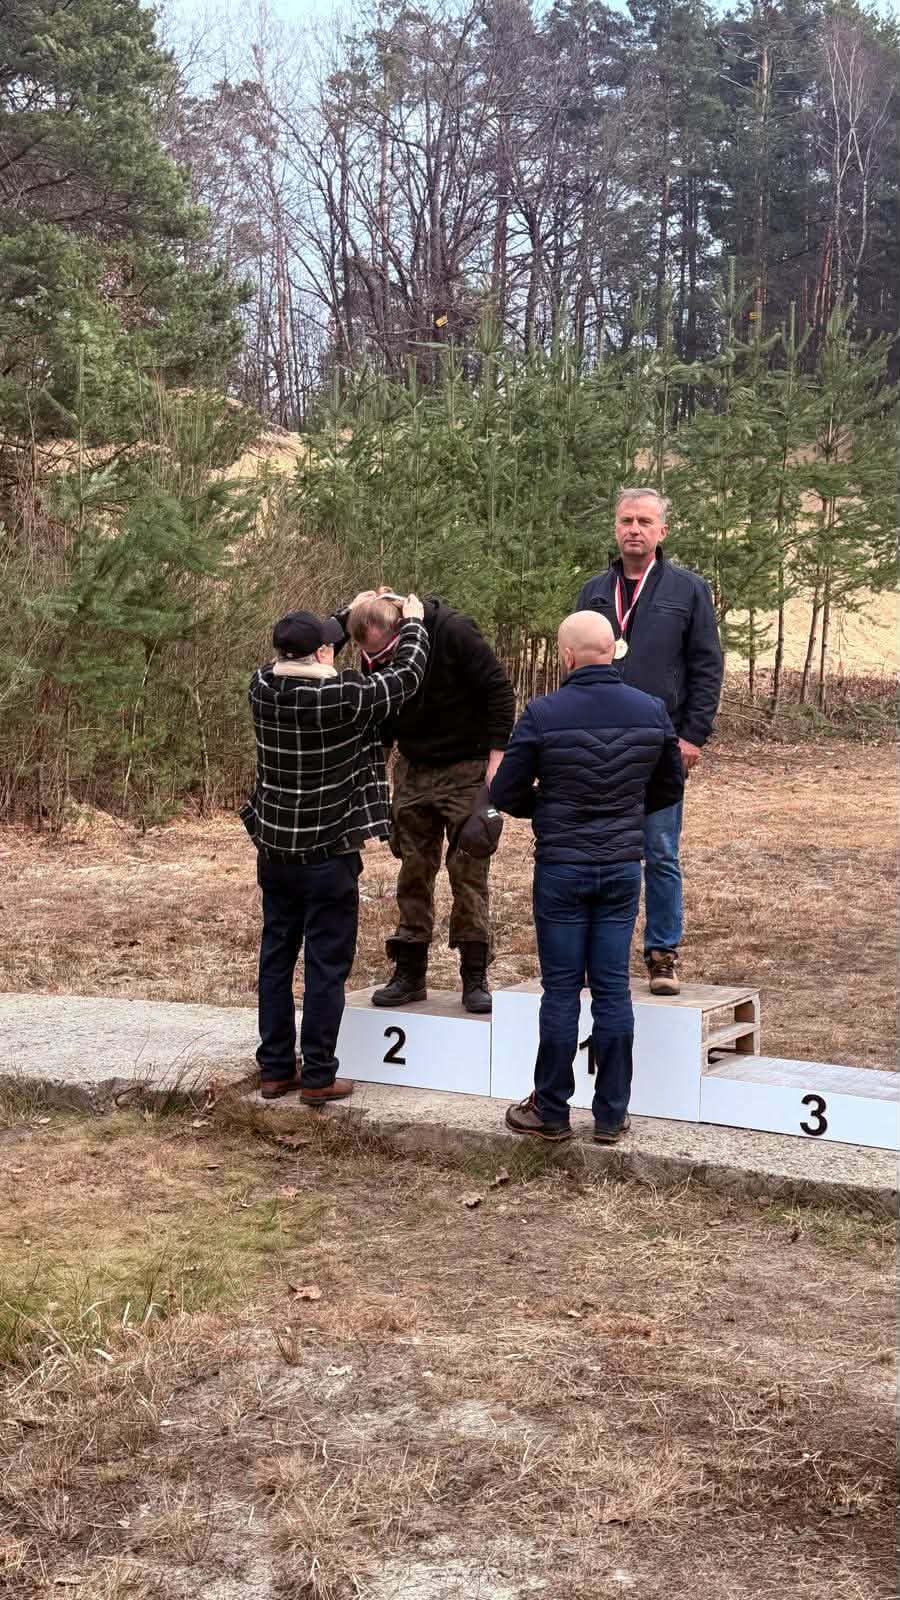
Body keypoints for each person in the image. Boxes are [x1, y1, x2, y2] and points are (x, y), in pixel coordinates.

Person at [489, 611, 684, 1144]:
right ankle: (612, 1113)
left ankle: (551, 1110)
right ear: (613, 651)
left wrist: (548, 806)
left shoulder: (543, 713)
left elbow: (504, 791)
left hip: (562, 868)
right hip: (621, 866)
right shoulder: (651, 711)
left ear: (567, 656)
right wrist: (625, 809)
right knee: (613, 989)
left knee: (561, 990)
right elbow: (669, 787)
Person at [241, 596, 428, 1101]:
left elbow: (308, 655)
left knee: (276, 958)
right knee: (326, 966)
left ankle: (276, 1068)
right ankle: (319, 1075)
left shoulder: (261, 687)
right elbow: (405, 677)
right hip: (328, 855)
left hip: (275, 851)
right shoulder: (344, 696)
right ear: (323, 654)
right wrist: (413, 624)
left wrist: (346, 616)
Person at [575, 488, 723, 996]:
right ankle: (599, 956)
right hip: (597, 746)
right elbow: (575, 662)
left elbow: (706, 667)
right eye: (625, 521)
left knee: (659, 851)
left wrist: (692, 736)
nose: (633, 529)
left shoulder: (688, 590)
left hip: (661, 744)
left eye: (643, 521)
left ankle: (662, 953)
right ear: (615, 528)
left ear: (662, 531)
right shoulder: (594, 591)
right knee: (598, 851)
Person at [347, 592, 516, 1014]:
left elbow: (499, 690)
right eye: (371, 658)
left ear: (402, 629)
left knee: (468, 869)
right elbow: (382, 711)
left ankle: (474, 975)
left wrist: (496, 761)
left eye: (384, 654)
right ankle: (409, 972)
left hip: (467, 764)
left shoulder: (453, 632)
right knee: (413, 869)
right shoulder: (374, 648)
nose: (379, 663)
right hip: (415, 766)